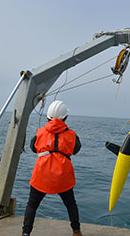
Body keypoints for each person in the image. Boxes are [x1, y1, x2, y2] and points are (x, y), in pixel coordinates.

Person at [23, 100, 82, 236]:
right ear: (65, 117)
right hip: (63, 176)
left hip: (41, 175)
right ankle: (76, 231)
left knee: (32, 205)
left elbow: (33, 148)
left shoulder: (40, 132)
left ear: (48, 116)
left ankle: (26, 233)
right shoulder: (72, 134)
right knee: (70, 204)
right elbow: (76, 149)